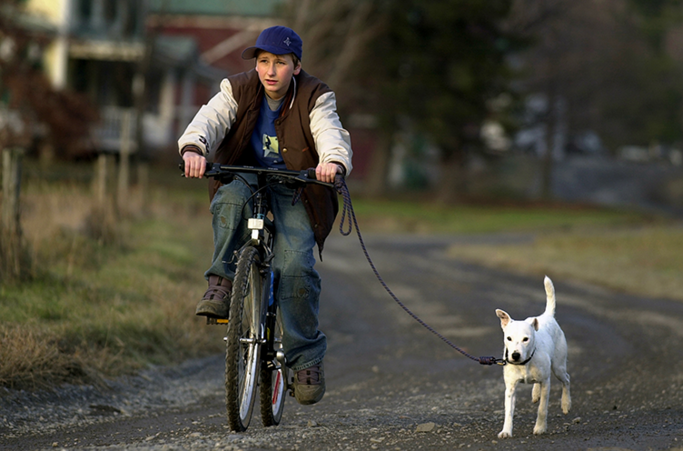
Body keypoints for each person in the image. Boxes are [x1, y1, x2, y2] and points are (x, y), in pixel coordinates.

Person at [178, 25, 353, 406]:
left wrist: (332, 162)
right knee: (228, 201)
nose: (270, 70)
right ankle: (221, 283)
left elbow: (330, 133)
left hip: (296, 188)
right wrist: (194, 148)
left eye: (280, 63)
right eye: (263, 62)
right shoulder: (237, 88)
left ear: (296, 66)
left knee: (294, 266)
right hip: (245, 177)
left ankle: (305, 358)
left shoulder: (315, 96)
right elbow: (210, 119)